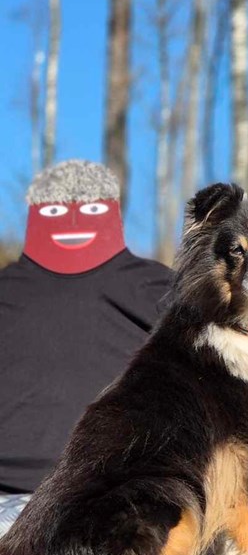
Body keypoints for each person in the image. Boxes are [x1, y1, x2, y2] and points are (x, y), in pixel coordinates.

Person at [0, 160, 172, 535]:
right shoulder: (160, 287)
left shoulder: (159, 289)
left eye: (90, 211)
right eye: (56, 212)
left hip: (114, 492)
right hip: (84, 500)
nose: (73, 223)